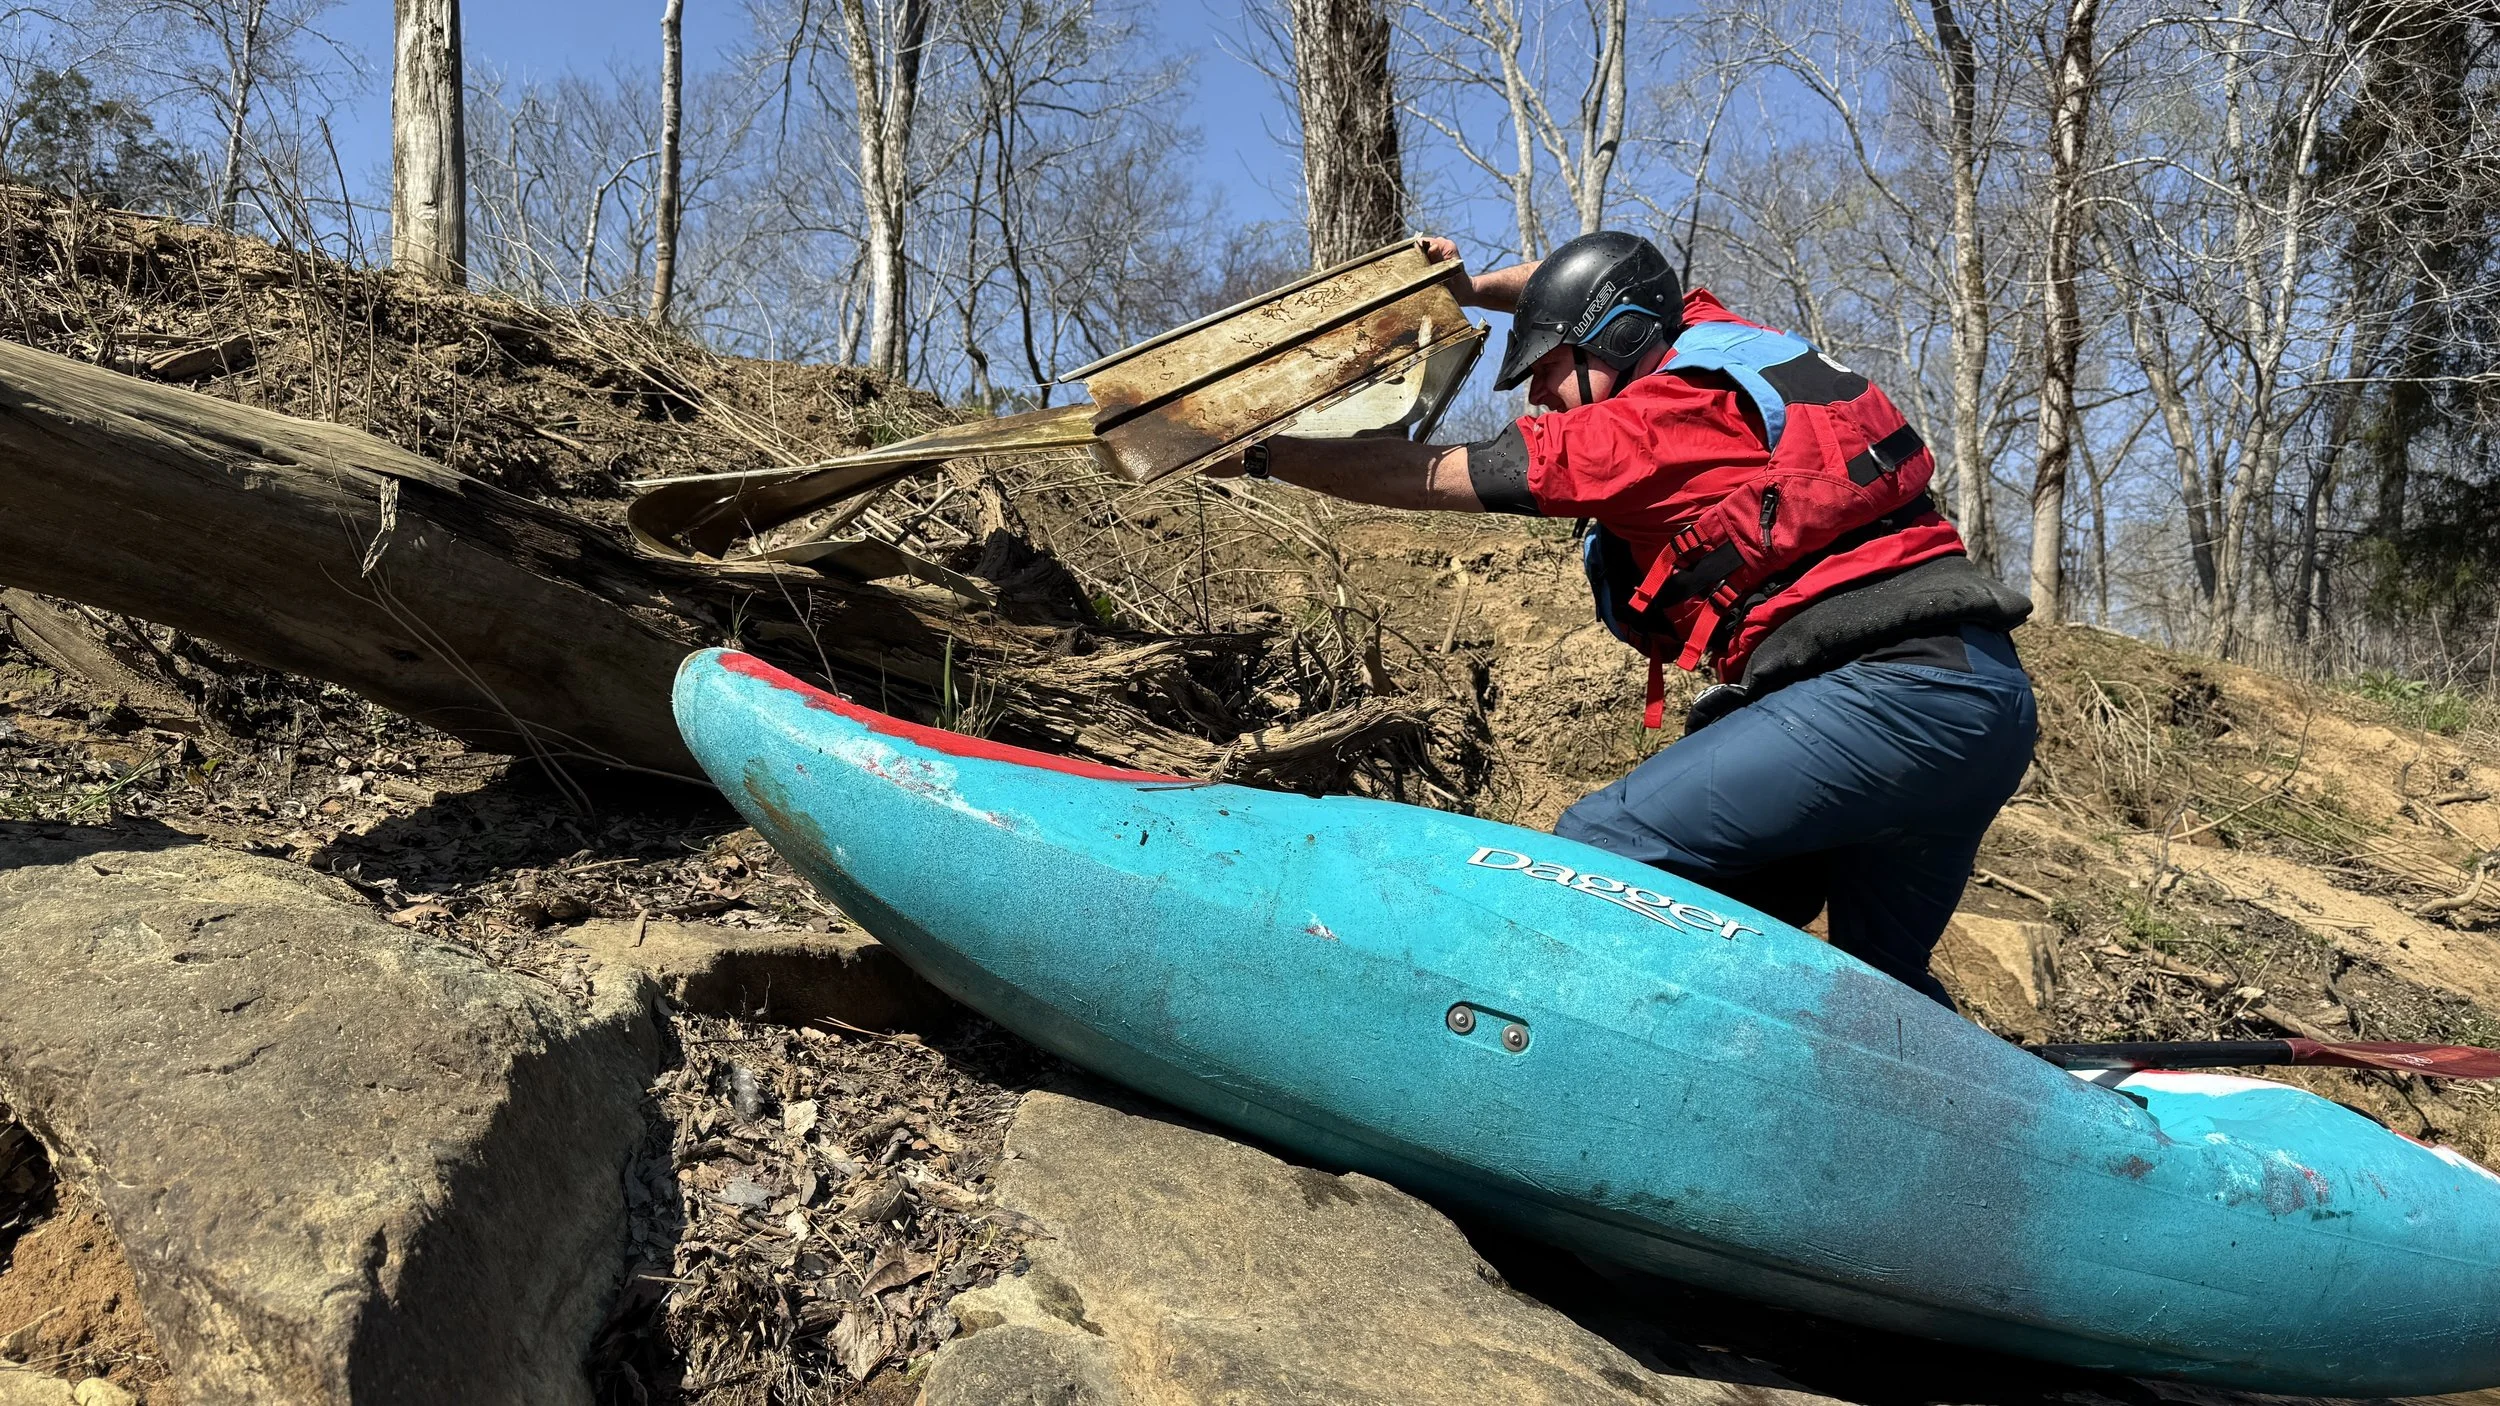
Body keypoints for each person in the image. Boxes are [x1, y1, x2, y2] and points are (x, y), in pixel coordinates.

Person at [1207, 231, 2037, 1006]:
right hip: (1981, 702)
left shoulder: (1654, 424)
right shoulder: (1718, 343)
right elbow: (1617, 277)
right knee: (1878, 988)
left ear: (1617, 343)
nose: (1536, 393)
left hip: (1890, 699)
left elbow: (1437, 474)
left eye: (1546, 366)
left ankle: (1534, 1059)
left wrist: (1264, 453)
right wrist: (1472, 288)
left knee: (1601, 848)